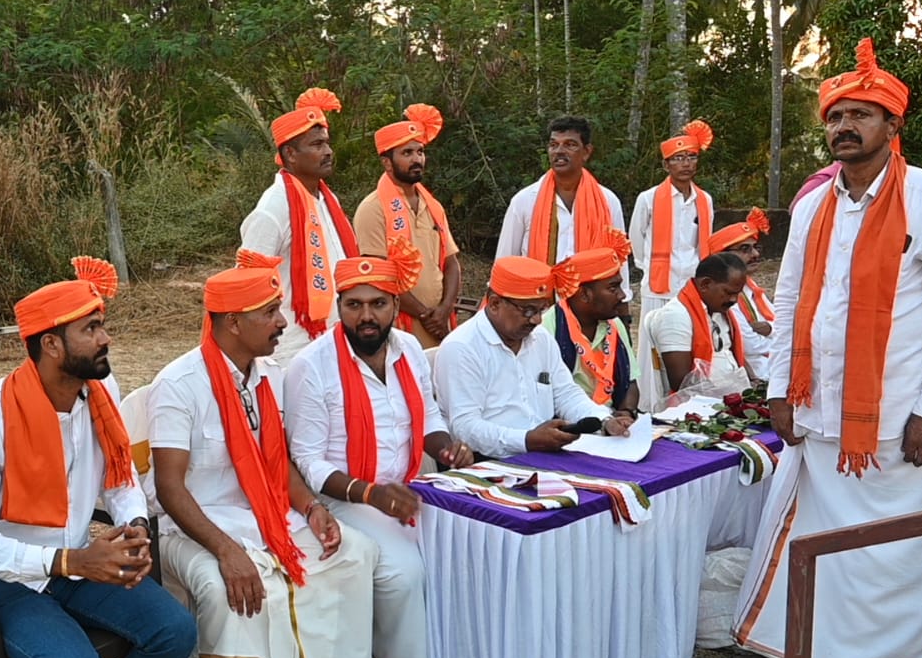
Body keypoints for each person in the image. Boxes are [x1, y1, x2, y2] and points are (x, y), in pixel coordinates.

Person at [730, 39, 922, 658]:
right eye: (836, 116)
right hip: (818, 408)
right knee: (806, 533)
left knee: (901, 544)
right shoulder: (813, 205)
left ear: (892, 125)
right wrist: (778, 387)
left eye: (861, 115)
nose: (845, 126)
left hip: (896, 416)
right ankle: (791, 645)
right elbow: (787, 302)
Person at [0, 258, 196, 658]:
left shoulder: (99, 393)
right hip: (3, 582)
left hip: (78, 562)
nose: (106, 338)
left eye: (102, 325)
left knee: (176, 632)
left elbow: (119, 477)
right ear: (51, 345)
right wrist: (68, 561)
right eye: (91, 329)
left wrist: (134, 525)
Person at [150, 254, 380, 658]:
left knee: (352, 552)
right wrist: (225, 549)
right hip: (192, 525)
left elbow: (279, 464)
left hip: (265, 512)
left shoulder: (270, 376)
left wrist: (312, 508)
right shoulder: (179, 384)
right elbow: (169, 487)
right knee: (223, 583)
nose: (282, 322)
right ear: (233, 322)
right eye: (270, 312)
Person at [284, 240, 475, 658]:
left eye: (377, 304)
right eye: (354, 305)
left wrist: (445, 449)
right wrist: (370, 494)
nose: (366, 316)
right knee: (406, 573)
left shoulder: (408, 348)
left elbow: (428, 417)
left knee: (464, 549)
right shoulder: (310, 366)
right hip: (343, 499)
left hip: (406, 488)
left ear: (394, 305)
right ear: (339, 306)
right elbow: (308, 461)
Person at [434, 256, 632, 459]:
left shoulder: (540, 337)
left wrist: (604, 420)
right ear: (494, 304)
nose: (537, 320)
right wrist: (526, 440)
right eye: (528, 311)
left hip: (544, 453)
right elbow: (465, 427)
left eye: (541, 309)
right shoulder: (462, 347)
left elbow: (566, 394)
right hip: (489, 461)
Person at [240, 88, 360, 364]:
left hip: (336, 337)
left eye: (327, 143)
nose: (328, 152)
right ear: (291, 154)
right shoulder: (273, 208)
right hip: (291, 347)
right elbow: (249, 285)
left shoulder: (328, 199)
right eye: (317, 145)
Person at [353, 104, 462, 346]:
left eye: (420, 151)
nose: (417, 159)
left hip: (440, 323)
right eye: (407, 153)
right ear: (387, 162)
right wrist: (426, 316)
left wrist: (444, 310)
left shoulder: (433, 206)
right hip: (400, 327)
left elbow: (451, 263)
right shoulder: (372, 209)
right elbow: (378, 276)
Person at [494, 116, 629, 295]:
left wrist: (622, 300)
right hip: (537, 304)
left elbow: (618, 259)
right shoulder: (525, 200)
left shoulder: (607, 201)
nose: (559, 151)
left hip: (589, 303)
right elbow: (505, 260)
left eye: (570, 145)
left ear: (587, 152)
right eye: (553, 145)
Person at [630, 120, 716, 390]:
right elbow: (636, 238)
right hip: (658, 283)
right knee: (652, 347)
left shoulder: (704, 200)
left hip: (691, 281)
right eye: (678, 158)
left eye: (691, 157)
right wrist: (649, 267)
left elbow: (705, 241)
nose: (686, 164)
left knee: (687, 340)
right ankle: (649, 400)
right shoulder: (648, 198)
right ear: (666, 165)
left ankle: (686, 396)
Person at [541, 229, 641, 416]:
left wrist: (626, 413)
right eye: (613, 288)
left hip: (612, 421)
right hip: (568, 423)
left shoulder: (614, 324)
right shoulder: (547, 329)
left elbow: (631, 382)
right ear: (584, 294)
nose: (622, 295)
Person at [639, 251, 751, 410]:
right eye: (728, 292)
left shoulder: (720, 310)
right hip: (699, 408)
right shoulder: (675, 316)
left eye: (737, 294)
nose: (734, 300)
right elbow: (682, 384)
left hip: (733, 400)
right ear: (705, 284)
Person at [707, 208, 774, 378]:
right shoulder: (723, 293)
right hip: (758, 374)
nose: (755, 254)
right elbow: (750, 345)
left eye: (756, 247)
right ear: (722, 256)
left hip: (773, 363)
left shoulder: (751, 287)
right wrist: (786, 343)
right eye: (745, 249)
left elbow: (783, 323)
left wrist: (770, 329)